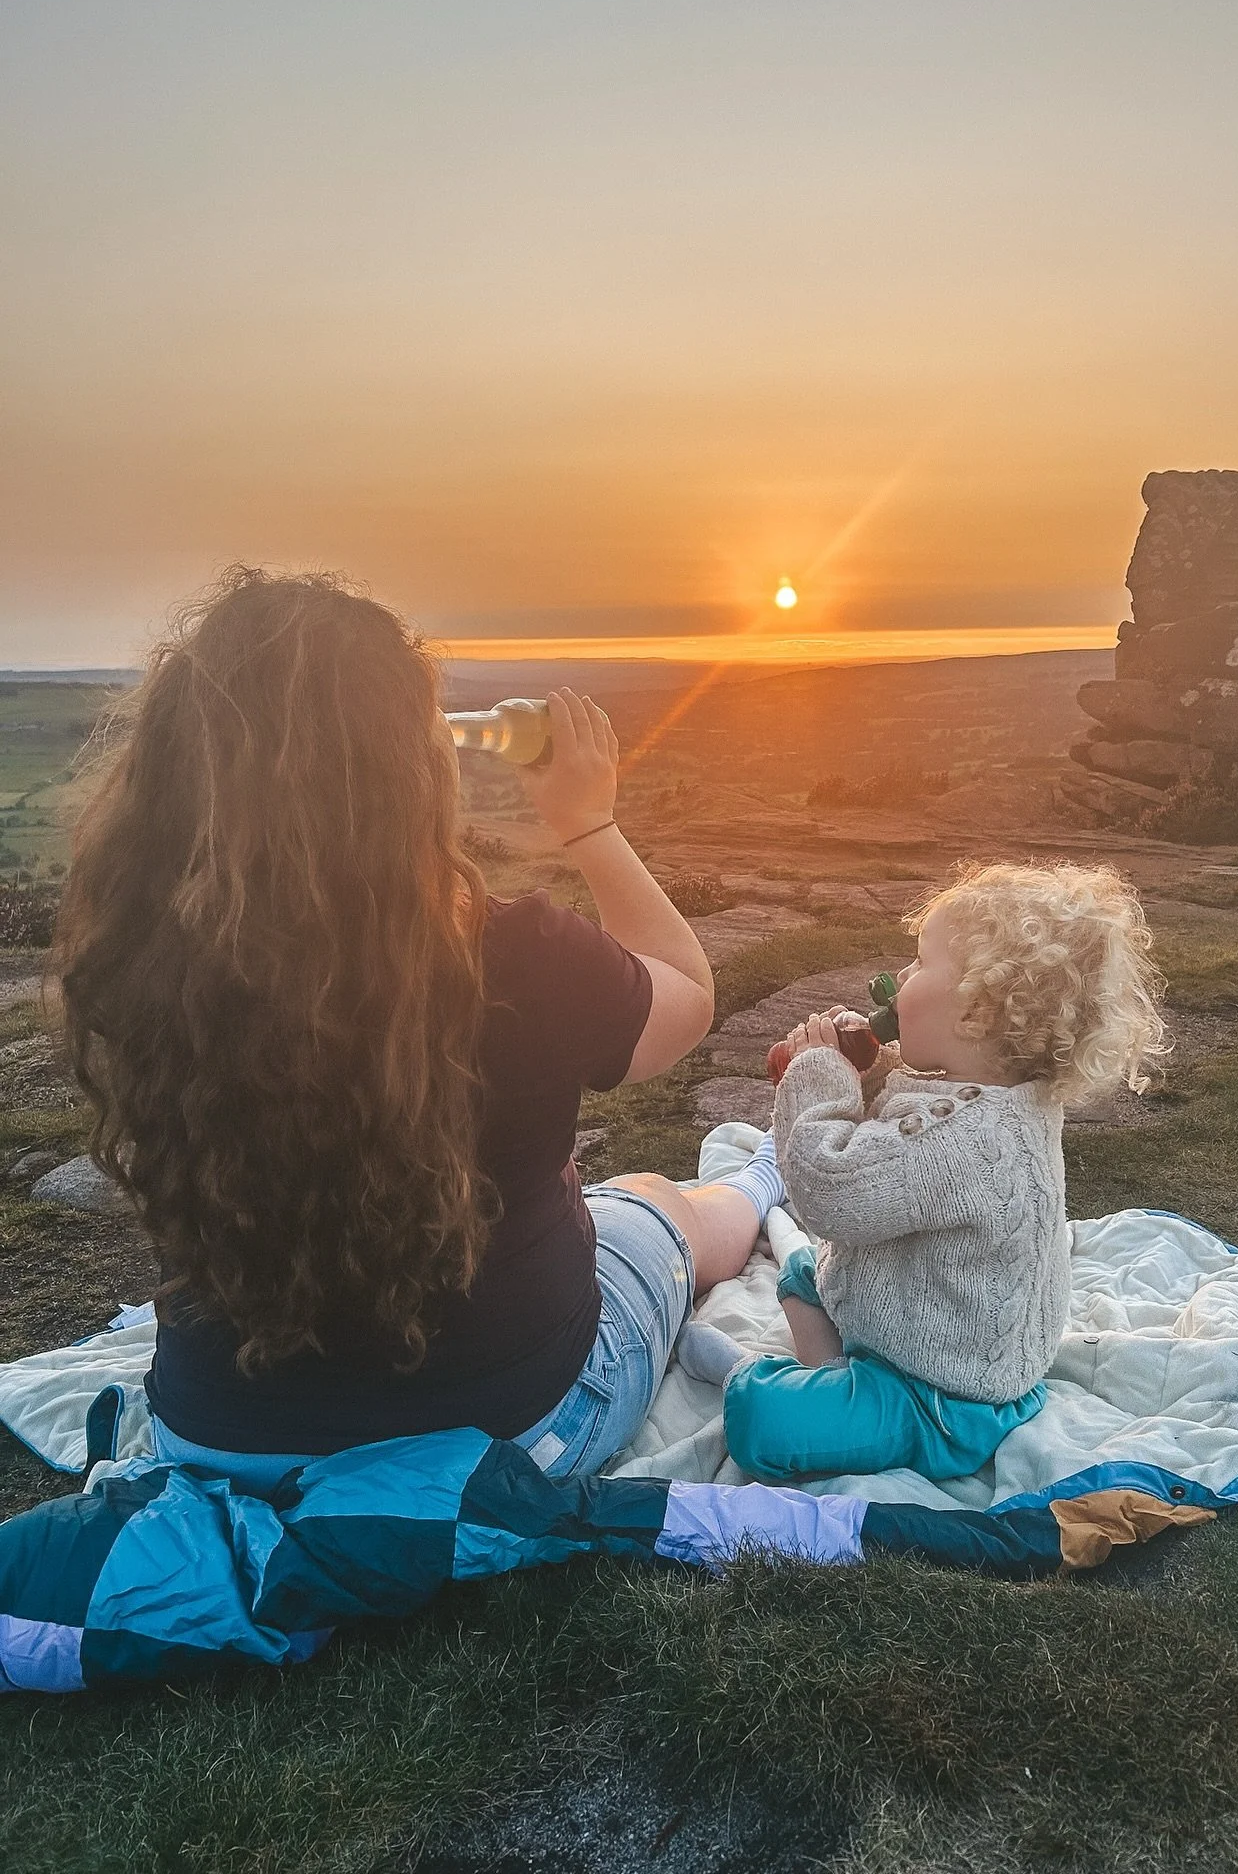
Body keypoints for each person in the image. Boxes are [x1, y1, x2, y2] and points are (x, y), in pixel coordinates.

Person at [52, 569, 792, 1495]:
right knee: (653, 1202)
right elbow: (685, 992)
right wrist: (589, 823)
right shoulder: (514, 955)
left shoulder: (143, 962)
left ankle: (757, 1177)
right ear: (406, 773)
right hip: (505, 1429)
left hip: (217, 1438)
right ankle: (766, 1173)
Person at [679, 860, 1168, 1483]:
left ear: (976, 1007)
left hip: (942, 1395)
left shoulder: (971, 1141)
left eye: (919, 962)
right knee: (806, 1270)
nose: (901, 978)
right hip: (938, 1340)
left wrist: (817, 1075)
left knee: (758, 1416)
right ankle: (839, 1370)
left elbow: (830, 1191)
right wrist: (870, 1071)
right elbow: (909, 1135)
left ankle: (824, 1384)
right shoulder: (1002, 1102)